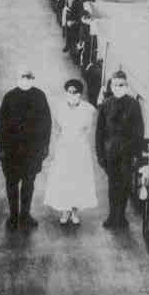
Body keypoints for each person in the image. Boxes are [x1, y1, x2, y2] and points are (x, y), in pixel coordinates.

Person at [0, 69, 51, 229]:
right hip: (11, 151)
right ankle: (13, 215)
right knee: (12, 183)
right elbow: (1, 125)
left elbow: (47, 124)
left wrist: (45, 146)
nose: (26, 80)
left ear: (33, 79)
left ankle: (25, 215)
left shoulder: (40, 96)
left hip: (32, 151)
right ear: (17, 78)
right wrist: (1, 147)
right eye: (23, 77)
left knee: (29, 183)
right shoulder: (9, 96)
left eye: (29, 77)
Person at [43, 79, 98, 227]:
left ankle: (74, 211)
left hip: (80, 148)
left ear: (80, 94)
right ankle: (65, 210)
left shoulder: (88, 109)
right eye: (70, 92)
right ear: (66, 92)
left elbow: (88, 129)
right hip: (64, 148)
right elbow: (56, 128)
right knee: (64, 178)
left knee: (78, 179)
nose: (72, 94)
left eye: (76, 92)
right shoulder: (59, 108)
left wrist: (80, 139)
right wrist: (60, 143)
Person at [96, 71, 145, 229]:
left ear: (126, 85)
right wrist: (100, 155)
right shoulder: (106, 104)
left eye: (121, 85)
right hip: (110, 152)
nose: (118, 87)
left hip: (127, 153)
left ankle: (121, 217)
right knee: (112, 185)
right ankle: (112, 216)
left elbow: (139, 131)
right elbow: (100, 132)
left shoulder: (133, 105)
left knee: (124, 185)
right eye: (115, 84)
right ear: (111, 86)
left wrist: (136, 154)